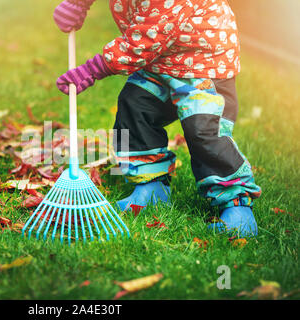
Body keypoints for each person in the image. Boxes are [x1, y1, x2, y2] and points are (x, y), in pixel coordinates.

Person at [53, 0, 261, 238]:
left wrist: (92, 69)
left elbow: (143, 41)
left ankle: (237, 206)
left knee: (204, 130)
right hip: (162, 59)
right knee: (136, 105)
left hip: (204, 64)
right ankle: (151, 187)